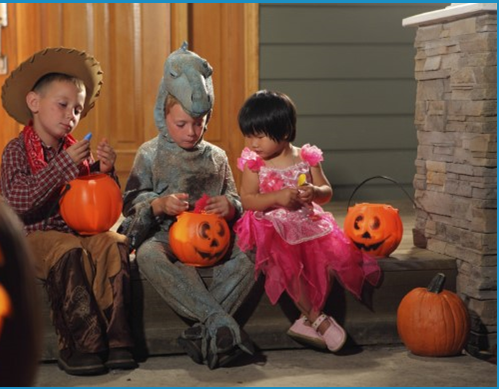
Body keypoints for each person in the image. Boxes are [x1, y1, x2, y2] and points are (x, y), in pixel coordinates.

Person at [0, 47, 136, 376]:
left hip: (78, 233)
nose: (71, 115)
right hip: (34, 238)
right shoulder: (16, 150)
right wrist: (64, 165)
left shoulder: (76, 154)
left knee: (114, 242)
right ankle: (79, 343)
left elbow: (98, 206)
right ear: (34, 103)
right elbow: (19, 201)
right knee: (66, 247)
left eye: (77, 109)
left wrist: (105, 171)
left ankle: (118, 340)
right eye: (62, 105)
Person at [119, 43, 255, 370]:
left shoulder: (217, 157)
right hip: (166, 235)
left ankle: (203, 330)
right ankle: (217, 320)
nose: (191, 132)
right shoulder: (149, 154)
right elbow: (130, 206)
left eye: (199, 123)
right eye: (181, 124)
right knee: (149, 255)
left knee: (254, 252)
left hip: (212, 235)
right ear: (163, 116)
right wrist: (158, 205)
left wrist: (231, 206)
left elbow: (235, 198)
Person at [234, 90, 381, 353]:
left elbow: (326, 191)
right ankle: (318, 318)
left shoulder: (306, 157)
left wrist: (314, 193)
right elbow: (246, 199)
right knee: (284, 262)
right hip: (270, 222)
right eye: (248, 134)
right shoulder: (254, 163)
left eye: (260, 135)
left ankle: (304, 321)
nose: (253, 143)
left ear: (286, 132)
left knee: (329, 259)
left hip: (305, 220)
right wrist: (277, 197)